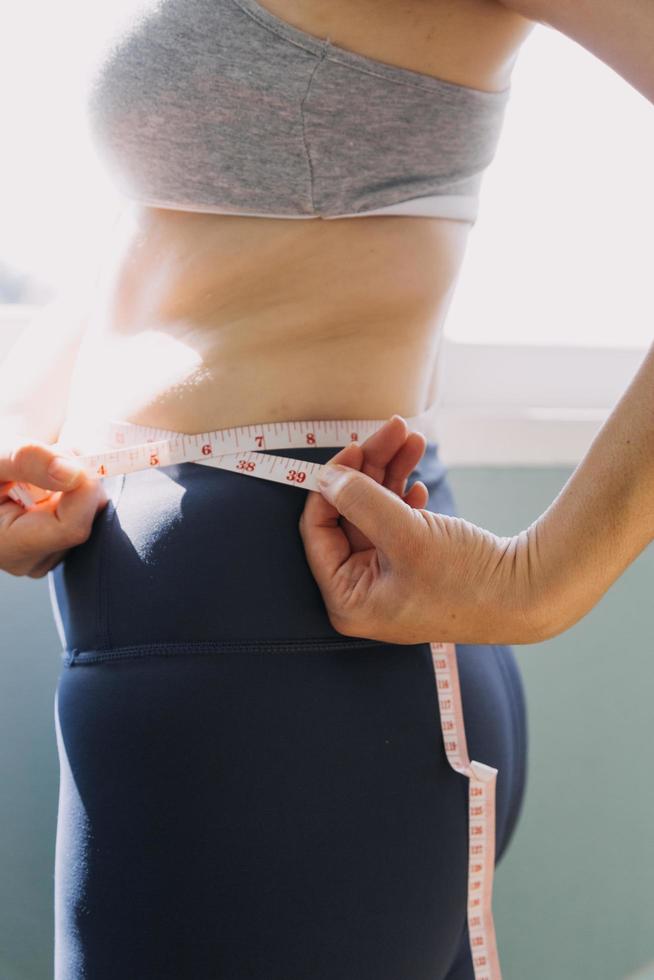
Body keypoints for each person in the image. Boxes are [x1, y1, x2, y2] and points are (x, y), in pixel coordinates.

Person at [0, 2, 651, 979]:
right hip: (249, 644)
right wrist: (23, 436)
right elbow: (163, 240)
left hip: (284, 653)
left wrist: (541, 581)